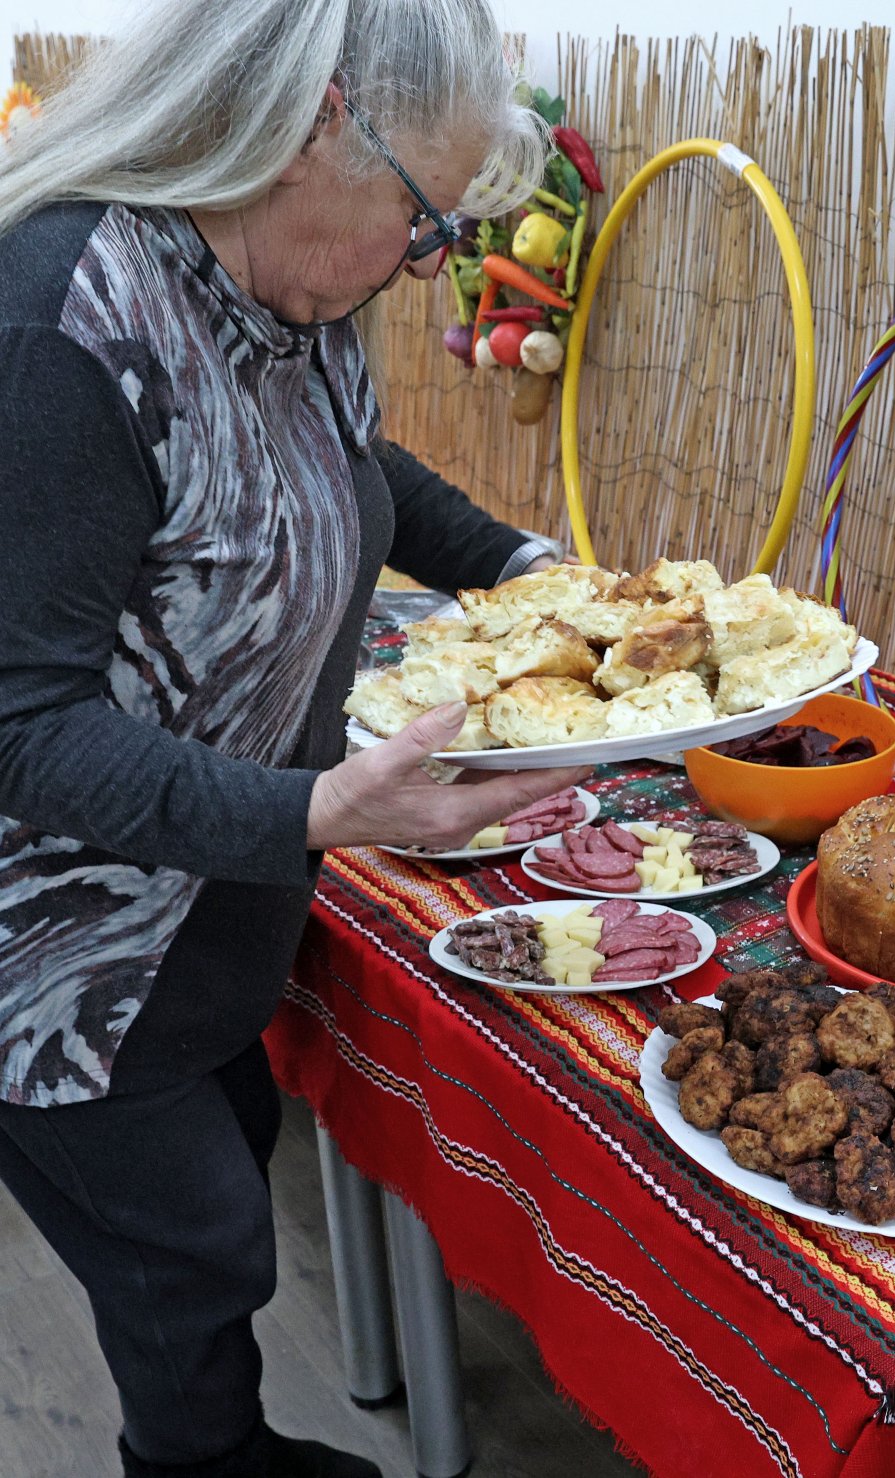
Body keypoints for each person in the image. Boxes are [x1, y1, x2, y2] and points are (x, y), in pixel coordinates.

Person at [0, 3, 591, 1473]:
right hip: (56, 956)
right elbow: (21, 730)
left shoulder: (291, 291)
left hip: (207, 912)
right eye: (422, 215)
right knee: (186, 1256)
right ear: (319, 122)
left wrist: (521, 565)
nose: (424, 256)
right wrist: (324, 806)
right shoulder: (55, 326)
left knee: (216, 1196)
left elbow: (347, 457)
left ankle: (216, 1438)